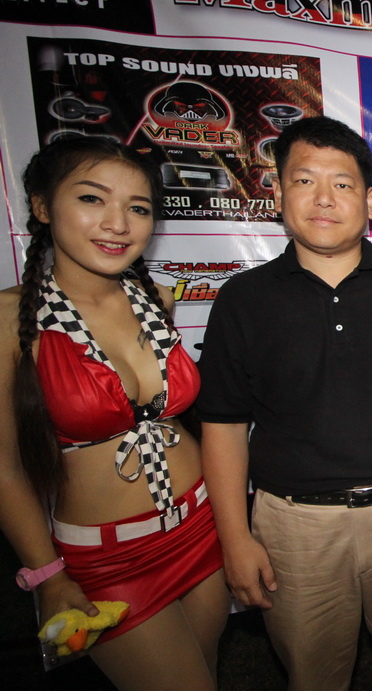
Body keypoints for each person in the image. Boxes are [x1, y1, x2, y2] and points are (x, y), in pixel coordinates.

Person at [196, 116, 372, 690]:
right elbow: (223, 427)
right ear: (277, 192)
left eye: (342, 184)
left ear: (368, 202)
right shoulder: (243, 301)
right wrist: (234, 537)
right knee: (313, 673)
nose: (324, 198)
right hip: (295, 527)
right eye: (305, 180)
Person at [0, 138, 226, 689]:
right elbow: (5, 469)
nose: (118, 224)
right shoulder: (9, 320)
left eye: (138, 208)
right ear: (42, 206)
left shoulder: (158, 299)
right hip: (106, 559)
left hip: (201, 524)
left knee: (206, 672)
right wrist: (47, 575)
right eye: (92, 199)